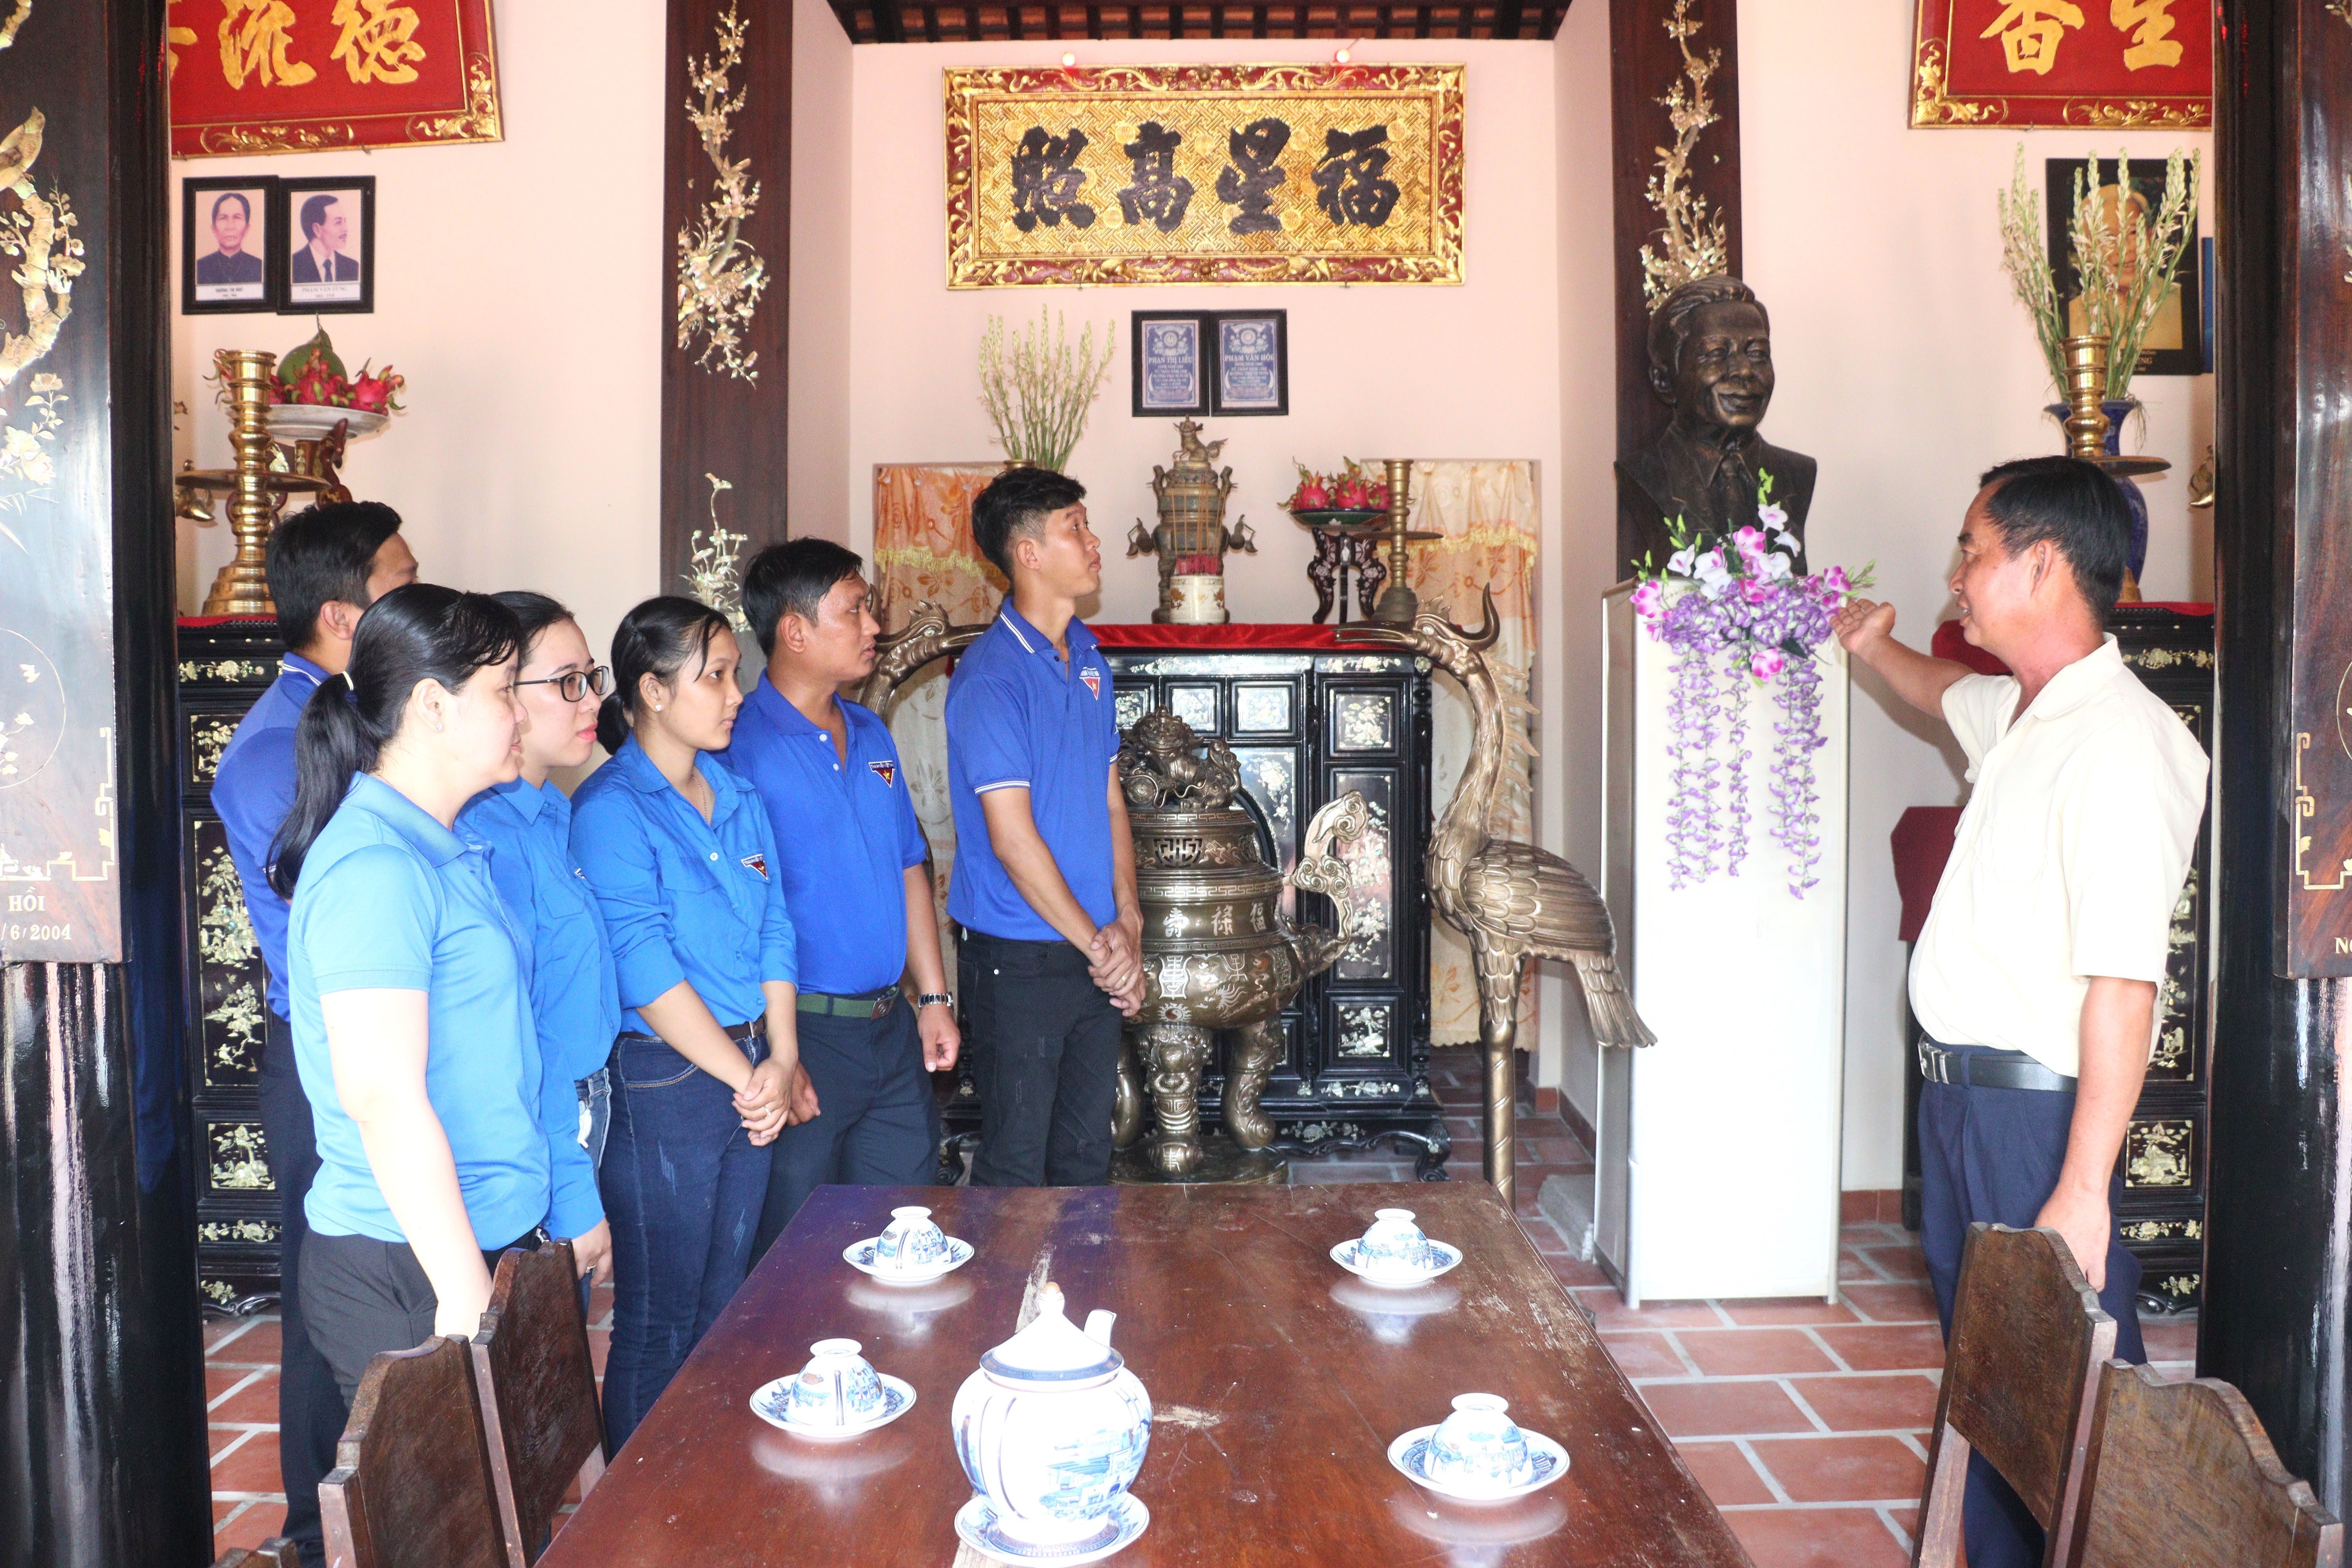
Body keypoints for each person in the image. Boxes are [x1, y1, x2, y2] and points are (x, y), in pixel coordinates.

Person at [1832, 455, 2207, 1568]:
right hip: (1966, 1108)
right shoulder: (2027, 712)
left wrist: (2083, 1190)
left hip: (2036, 1123)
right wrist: (1869, 646)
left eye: (1973, 552)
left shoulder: (2121, 743)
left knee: (2076, 1411)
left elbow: (2126, 984)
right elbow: (1937, 689)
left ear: (2043, 565)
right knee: (1998, 1400)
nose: (1956, 577)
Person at [270, 585, 564, 1401]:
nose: (520, 714)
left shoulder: (439, 846)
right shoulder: (377, 867)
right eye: (505, 691)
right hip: (413, 1260)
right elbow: (384, 1100)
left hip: (474, 1235)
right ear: (434, 705)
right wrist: (465, 1292)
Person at [209, 500, 415, 1563]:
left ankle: (409, 1501)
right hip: (328, 1053)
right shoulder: (270, 752)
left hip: (392, 1037)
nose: (423, 595)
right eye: (403, 581)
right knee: (326, 1296)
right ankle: (309, 1529)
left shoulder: (365, 714)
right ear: (344, 615)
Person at [571, 596, 800, 1450]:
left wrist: (783, 1057)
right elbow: (644, 964)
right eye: (717, 677)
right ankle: (638, 1505)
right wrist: (752, 1080)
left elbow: (777, 926)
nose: (736, 694)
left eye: (735, 674)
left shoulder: (737, 792)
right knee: (659, 1316)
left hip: (752, 1066)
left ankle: (702, 1480)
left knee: (724, 1302)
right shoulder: (611, 809)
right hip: (667, 1079)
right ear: (654, 692)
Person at [723, 541, 959, 1255]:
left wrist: (934, 998)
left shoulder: (871, 730)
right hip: (807, 1037)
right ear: (795, 631)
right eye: (854, 611)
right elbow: (735, 914)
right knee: (799, 1255)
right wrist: (778, 1053)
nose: (873, 627)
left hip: (890, 1029)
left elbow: (908, 866)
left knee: (904, 1237)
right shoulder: (738, 747)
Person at [944, 466, 1145, 1189]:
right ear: (1028, 553)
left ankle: (1079, 1273)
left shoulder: (1089, 659)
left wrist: (1129, 923)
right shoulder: (991, 676)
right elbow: (1013, 840)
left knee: (1086, 1160)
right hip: (1020, 959)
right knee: (1016, 1167)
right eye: (1075, 528)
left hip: (1095, 946)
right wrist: (1102, 946)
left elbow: (1111, 804)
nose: (1095, 543)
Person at [455, 593, 621, 1306]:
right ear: (500, 694)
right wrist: (574, 1198)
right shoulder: (486, 836)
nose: (591, 700)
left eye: (591, 677)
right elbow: (526, 1040)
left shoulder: (552, 809)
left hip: (585, 1103)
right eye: (567, 682)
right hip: (545, 1123)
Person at [195, 190, 263, 289]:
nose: (230, 226)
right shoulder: (200, 267)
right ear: (214, 229)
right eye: (223, 218)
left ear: (247, 228)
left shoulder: (259, 267)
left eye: (237, 218)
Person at [291, 193, 359, 285]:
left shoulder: (352, 267)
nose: (346, 229)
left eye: (345, 221)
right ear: (317, 230)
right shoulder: (294, 266)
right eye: (338, 223)